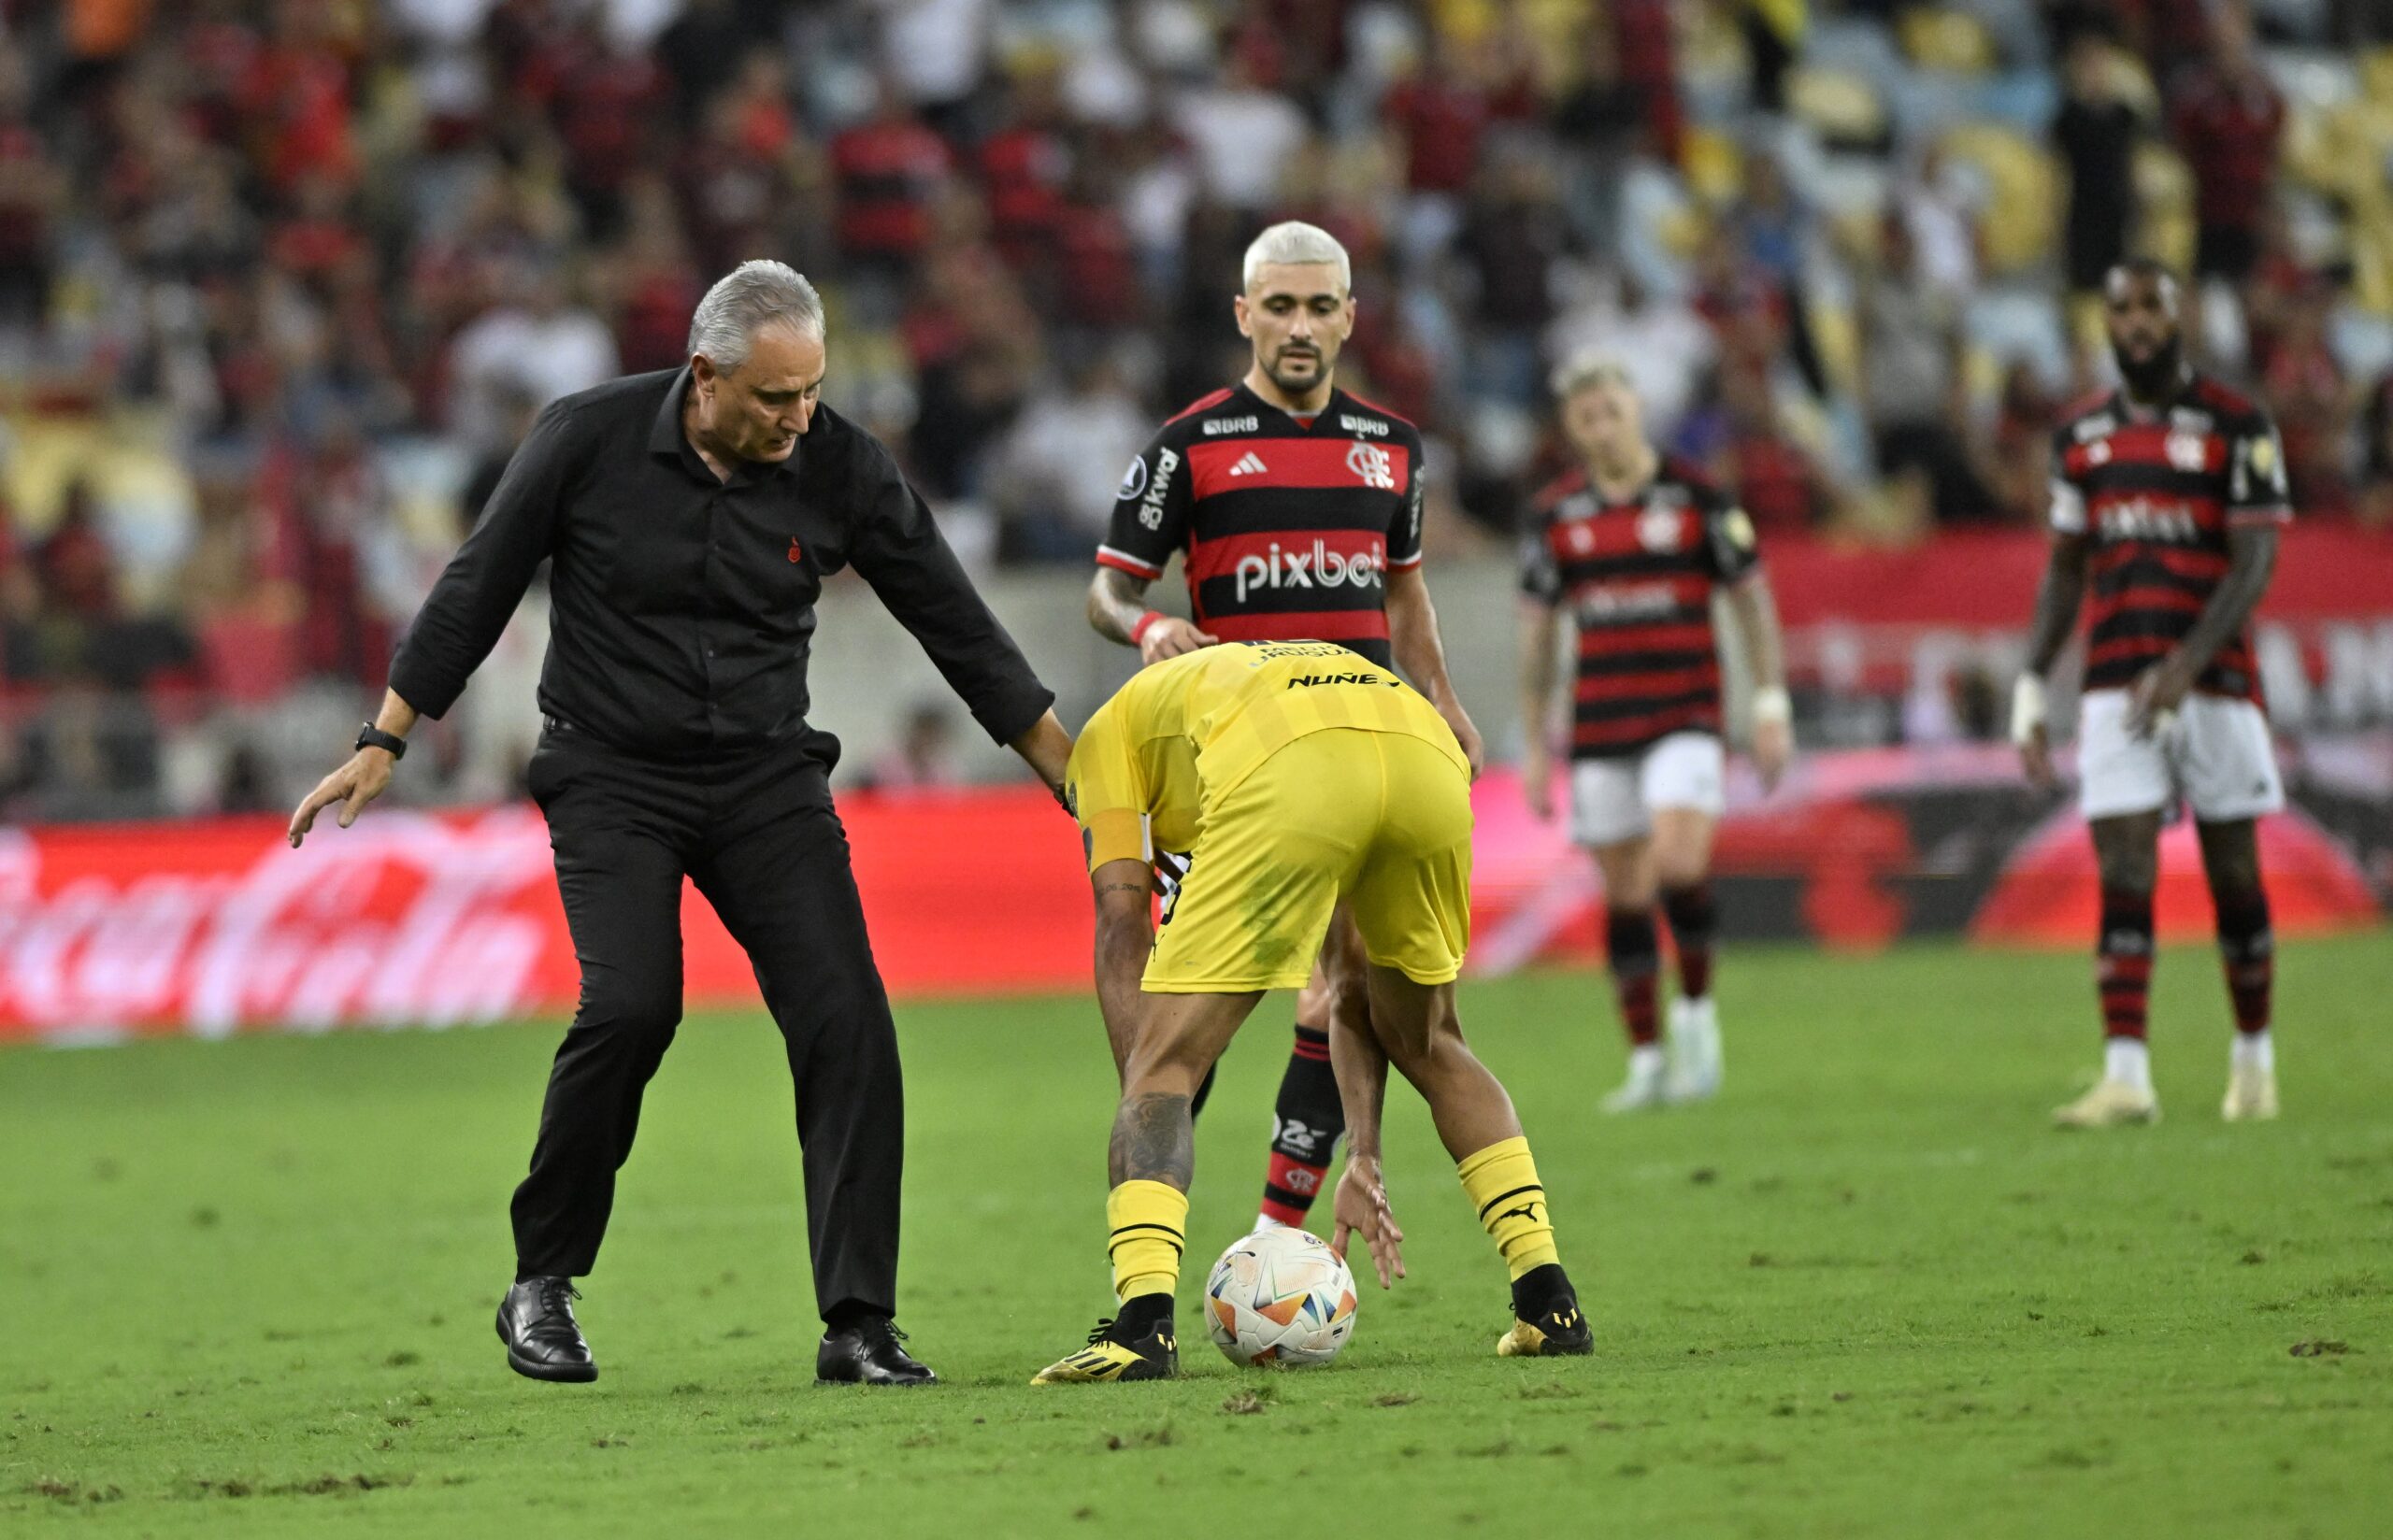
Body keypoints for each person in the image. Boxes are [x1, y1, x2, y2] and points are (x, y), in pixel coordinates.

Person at [287, 260, 1071, 1386]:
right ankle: (540, 1283)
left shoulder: (840, 463)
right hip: (613, 778)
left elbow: (952, 617)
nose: (800, 420)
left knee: (847, 1018)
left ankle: (858, 1323)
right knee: (634, 1004)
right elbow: (478, 583)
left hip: (765, 782)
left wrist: (1067, 772)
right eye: (774, 399)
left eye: (812, 393)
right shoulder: (584, 437)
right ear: (704, 376)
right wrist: (386, 736)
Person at [1032, 641, 1591, 1384]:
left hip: (1291, 769)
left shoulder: (1102, 742)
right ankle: (1548, 1304)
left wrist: (1146, 1086)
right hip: (1422, 753)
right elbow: (1347, 981)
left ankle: (1141, 1330)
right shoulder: (1231, 693)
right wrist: (1363, 1154)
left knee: (1162, 1065)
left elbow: (1123, 917)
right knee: (1432, 1042)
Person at [1084, 221, 1483, 1235]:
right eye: (1279, 306)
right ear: (1244, 315)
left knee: (1344, 994)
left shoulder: (1392, 449)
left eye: (1318, 307)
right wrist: (1148, 622)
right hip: (1240, 773)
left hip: (1364, 756)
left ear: (1349, 318)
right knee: (1179, 1041)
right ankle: (1149, 1259)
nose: (1299, 327)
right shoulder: (1190, 446)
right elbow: (1106, 586)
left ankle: (1279, 1244)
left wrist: (1443, 697)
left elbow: (1405, 595)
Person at [2013, 260, 2289, 1128]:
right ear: (2105, 322)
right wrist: (2031, 682)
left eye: (2150, 309)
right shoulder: (2081, 438)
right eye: (2121, 309)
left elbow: (2255, 563)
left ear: (2180, 319)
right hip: (2112, 686)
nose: (2134, 324)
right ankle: (2127, 1076)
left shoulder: (2237, 424)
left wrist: (2186, 666)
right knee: (2124, 870)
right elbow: (2065, 571)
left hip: (2218, 688)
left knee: (2233, 874)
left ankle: (2254, 1060)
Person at [1518, 356, 1792, 1113]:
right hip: (1601, 720)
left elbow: (1750, 600)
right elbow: (1537, 635)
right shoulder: (1557, 515)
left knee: (1676, 863)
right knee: (1626, 895)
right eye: (1585, 418)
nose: (1600, 426)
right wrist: (1537, 742)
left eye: (1610, 410)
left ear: (1635, 409)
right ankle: (1644, 1059)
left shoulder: (1698, 495)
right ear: (1572, 430)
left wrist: (1770, 704)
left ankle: (1697, 1011)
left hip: (1687, 713)